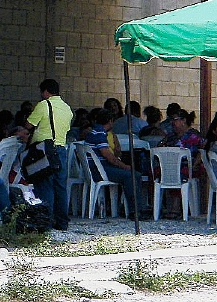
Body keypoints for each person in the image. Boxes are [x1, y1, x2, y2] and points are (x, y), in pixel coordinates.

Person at [25, 78, 73, 231]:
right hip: (61, 150)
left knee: (45, 185)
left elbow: (29, 125)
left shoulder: (44, 105)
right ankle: (62, 223)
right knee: (60, 187)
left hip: (44, 150)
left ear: (45, 91)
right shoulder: (67, 108)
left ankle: (45, 222)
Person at [84, 109, 149, 220]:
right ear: (110, 121)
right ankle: (135, 211)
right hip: (100, 170)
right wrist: (125, 166)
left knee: (131, 174)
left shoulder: (93, 132)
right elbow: (108, 156)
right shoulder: (100, 134)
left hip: (95, 169)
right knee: (132, 175)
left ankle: (132, 208)